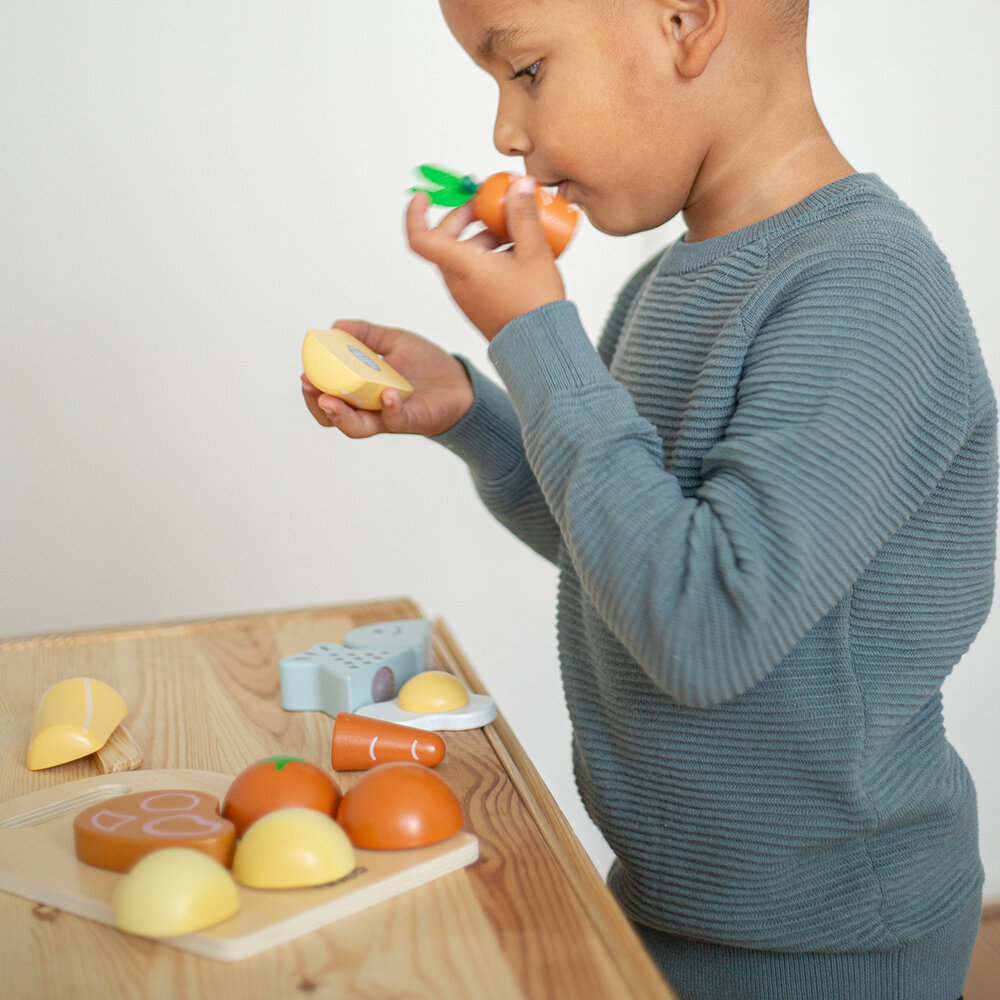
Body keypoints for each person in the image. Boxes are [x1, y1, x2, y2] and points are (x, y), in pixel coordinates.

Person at [301, 1, 996, 997]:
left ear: (684, 20)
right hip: (671, 902)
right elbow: (629, 548)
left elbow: (702, 624)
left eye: (526, 70)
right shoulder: (665, 286)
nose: (504, 130)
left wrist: (539, 340)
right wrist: (475, 412)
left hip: (829, 940)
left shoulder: (865, 285)